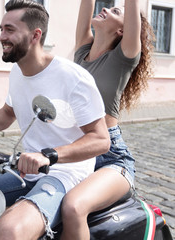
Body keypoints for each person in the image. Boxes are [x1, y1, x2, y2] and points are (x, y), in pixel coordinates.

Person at [0, 0, 110, 239]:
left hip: (65, 173)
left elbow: (101, 140)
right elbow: (9, 113)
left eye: (10, 30)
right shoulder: (18, 71)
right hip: (24, 168)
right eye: (1, 29)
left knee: (10, 229)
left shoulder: (72, 78)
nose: (1, 37)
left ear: (35, 35)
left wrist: (48, 155)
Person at [60, 0, 155, 239]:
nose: (104, 9)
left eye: (114, 11)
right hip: (76, 148)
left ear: (122, 31)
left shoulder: (124, 56)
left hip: (110, 158)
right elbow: (86, 4)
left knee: (73, 207)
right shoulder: (82, 51)